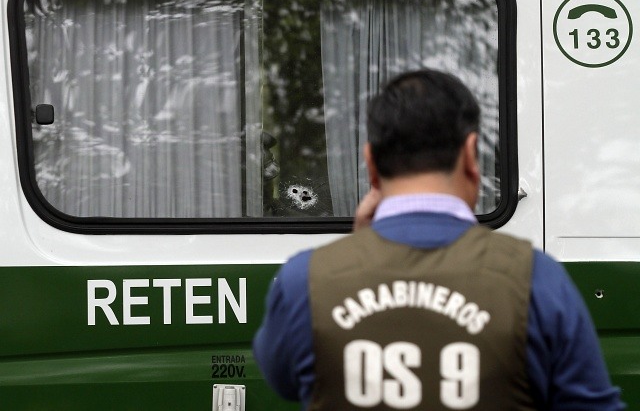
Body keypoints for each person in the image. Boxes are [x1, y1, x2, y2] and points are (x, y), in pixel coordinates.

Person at [252, 69, 624, 410]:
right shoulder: (537, 280)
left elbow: (284, 379)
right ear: (469, 155)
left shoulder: (305, 281)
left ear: (370, 163)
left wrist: (361, 249)